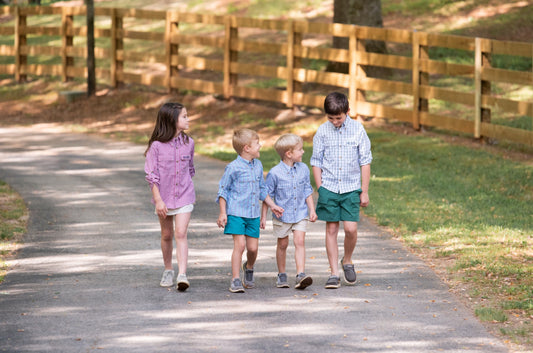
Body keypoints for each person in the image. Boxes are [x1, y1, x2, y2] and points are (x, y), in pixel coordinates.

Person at [310, 92, 372, 289]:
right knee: (331, 228)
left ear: (347, 112)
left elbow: (365, 161)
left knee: (351, 229)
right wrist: (320, 187)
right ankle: (333, 273)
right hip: (328, 187)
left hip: (351, 188)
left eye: (339, 118)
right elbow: (316, 161)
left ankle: (347, 260)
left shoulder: (358, 130)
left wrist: (364, 190)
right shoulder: (322, 131)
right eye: (331, 118)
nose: (335, 122)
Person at [216, 128, 284, 293]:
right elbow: (223, 191)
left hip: (253, 214)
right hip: (236, 213)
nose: (260, 146)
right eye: (257, 144)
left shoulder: (258, 165)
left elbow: (262, 189)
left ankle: (249, 267)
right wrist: (223, 212)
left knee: (252, 249)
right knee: (239, 245)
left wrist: (272, 205)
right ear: (247, 148)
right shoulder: (233, 168)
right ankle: (235, 279)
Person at [144, 102, 195, 292]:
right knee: (167, 234)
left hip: (184, 196)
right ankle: (168, 270)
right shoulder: (156, 146)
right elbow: (152, 176)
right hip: (163, 198)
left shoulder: (189, 143)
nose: (188, 119)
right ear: (173, 120)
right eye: (184, 116)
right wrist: (158, 200)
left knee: (181, 233)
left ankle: (182, 274)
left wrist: (185, 186)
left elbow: (190, 170)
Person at [261, 133, 317, 290]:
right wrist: (263, 216)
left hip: (300, 213)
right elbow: (267, 195)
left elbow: (307, 190)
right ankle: (282, 274)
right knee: (283, 244)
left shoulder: (303, 169)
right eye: (300, 149)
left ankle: (300, 274)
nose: (303, 152)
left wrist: (311, 210)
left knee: (300, 241)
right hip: (282, 216)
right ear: (289, 154)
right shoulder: (274, 173)